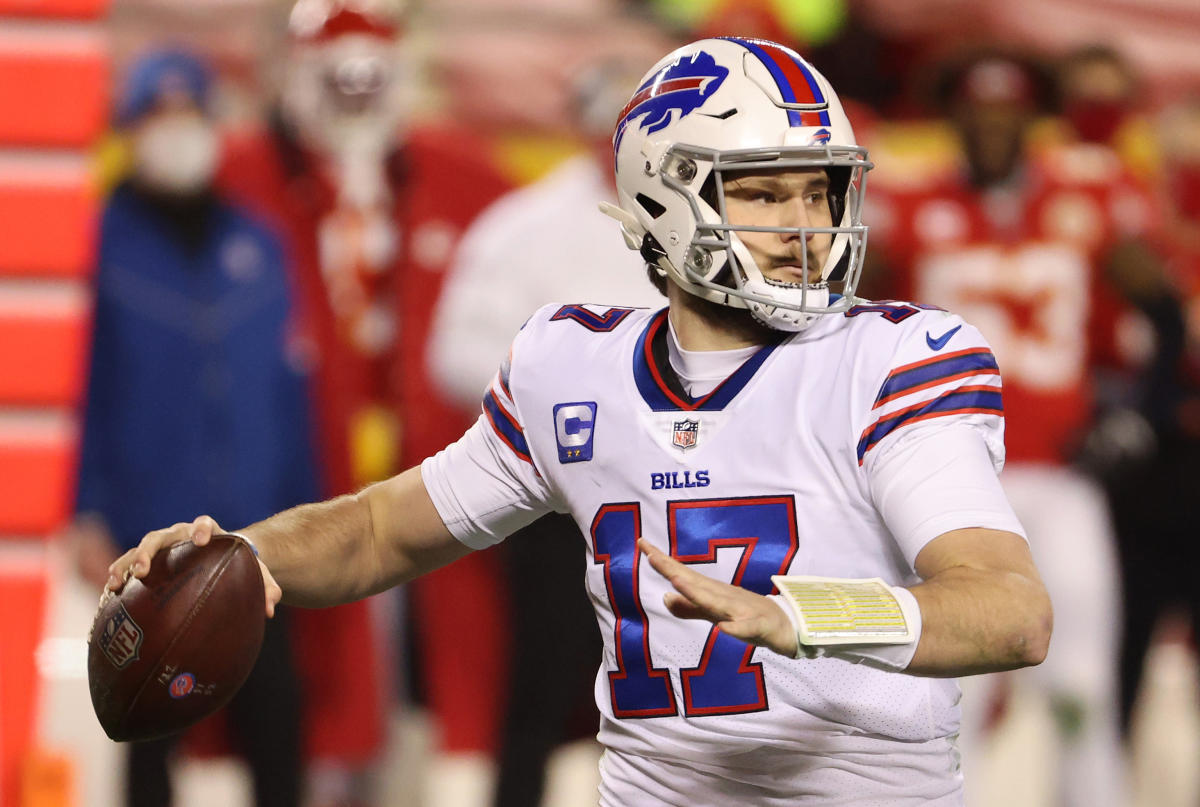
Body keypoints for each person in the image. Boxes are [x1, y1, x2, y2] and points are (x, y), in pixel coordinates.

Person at [107, 38, 1051, 806]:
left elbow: (1009, 609)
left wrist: (807, 615)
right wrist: (239, 556)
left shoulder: (893, 360)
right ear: (662, 198)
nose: (804, 223)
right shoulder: (575, 368)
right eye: (764, 191)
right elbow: (379, 528)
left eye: (820, 190)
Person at [218, 2, 517, 801]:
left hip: (436, 480)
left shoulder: (469, 178)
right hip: (290, 475)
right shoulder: (236, 180)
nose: (354, 97)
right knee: (298, 690)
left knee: (439, 689)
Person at [864, 50, 1153, 807]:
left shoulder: (1084, 194)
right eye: (977, 108)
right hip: (947, 476)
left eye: (1008, 109)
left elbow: (1160, 308)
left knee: (1081, 682)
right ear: (951, 117)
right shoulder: (908, 205)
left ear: (1033, 117)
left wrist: (1133, 403)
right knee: (957, 689)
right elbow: (843, 321)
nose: (993, 124)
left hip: (1062, 476)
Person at [70, 48, 310, 807]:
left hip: (255, 538)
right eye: (157, 116)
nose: (177, 132)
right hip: (147, 545)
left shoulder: (258, 242)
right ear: (129, 130)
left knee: (277, 726)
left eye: (189, 116)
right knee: (146, 735)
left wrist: (313, 511)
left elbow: (287, 390)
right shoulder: (97, 243)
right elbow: (82, 392)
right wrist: (86, 509)